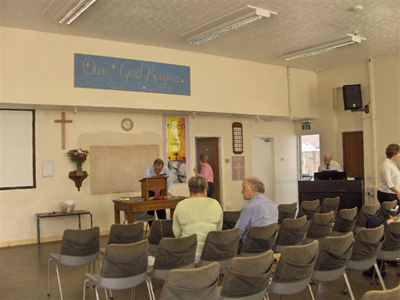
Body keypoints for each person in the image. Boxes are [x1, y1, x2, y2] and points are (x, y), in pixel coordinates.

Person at [172, 176, 223, 263]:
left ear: (189, 189)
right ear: (205, 189)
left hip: (188, 254)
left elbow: (176, 233)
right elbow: (218, 230)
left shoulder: (181, 205)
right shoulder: (215, 204)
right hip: (211, 254)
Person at [235, 177, 278, 245]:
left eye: (244, 187)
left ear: (253, 188)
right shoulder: (273, 205)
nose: (242, 191)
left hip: (248, 247)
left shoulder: (249, 208)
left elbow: (237, 233)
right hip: (268, 246)